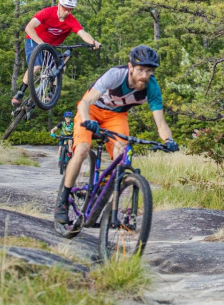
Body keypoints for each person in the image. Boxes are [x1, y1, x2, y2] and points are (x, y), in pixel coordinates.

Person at [54, 45, 179, 224]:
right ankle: (63, 200)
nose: (144, 75)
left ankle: (103, 192)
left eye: (149, 71)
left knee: (122, 157)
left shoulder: (152, 87)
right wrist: (88, 120)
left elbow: (160, 122)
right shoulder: (115, 75)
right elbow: (85, 102)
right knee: (82, 149)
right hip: (92, 111)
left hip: (116, 116)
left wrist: (168, 139)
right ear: (130, 67)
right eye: (141, 70)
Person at [11, 0, 101, 105]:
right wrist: (41, 43)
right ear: (59, 4)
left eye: (70, 9)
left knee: (61, 67)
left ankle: (51, 94)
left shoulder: (71, 20)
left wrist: (93, 42)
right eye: (65, 8)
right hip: (34, 40)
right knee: (37, 66)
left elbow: (83, 33)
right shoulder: (47, 12)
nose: (67, 12)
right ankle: (20, 93)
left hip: (51, 47)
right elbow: (29, 28)